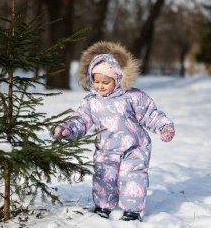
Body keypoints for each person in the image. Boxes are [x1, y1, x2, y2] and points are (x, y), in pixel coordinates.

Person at [52, 41, 175, 222]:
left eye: (106, 82)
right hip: (106, 149)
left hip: (134, 148)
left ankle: (132, 210)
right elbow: (81, 119)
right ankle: (103, 206)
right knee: (103, 177)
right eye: (96, 81)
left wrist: (164, 127)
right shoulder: (91, 102)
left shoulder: (132, 97)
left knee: (132, 177)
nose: (100, 86)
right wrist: (67, 129)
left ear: (117, 79)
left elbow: (150, 114)